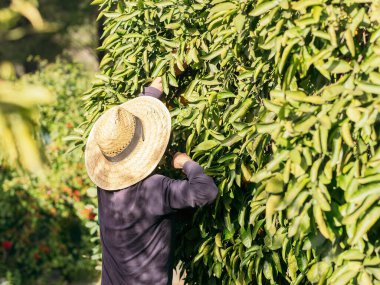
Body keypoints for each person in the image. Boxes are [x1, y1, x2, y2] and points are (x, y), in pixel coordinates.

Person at [84, 77, 218, 285]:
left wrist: (152, 92)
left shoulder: (105, 186)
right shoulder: (155, 188)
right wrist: (186, 162)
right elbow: (205, 192)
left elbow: (123, 133)